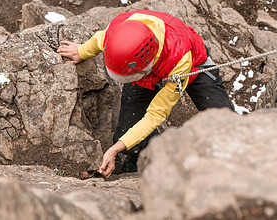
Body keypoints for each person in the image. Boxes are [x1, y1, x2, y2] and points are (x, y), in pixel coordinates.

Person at [57, 10, 233, 178]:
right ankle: (155, 155)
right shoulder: (118, 34)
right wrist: (81, 51)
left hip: (192, 65)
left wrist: (114, 150)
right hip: (144, 72)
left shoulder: (179, 57)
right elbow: (99, 40)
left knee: (227, 128)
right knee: (126, 137)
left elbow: (156, 114)